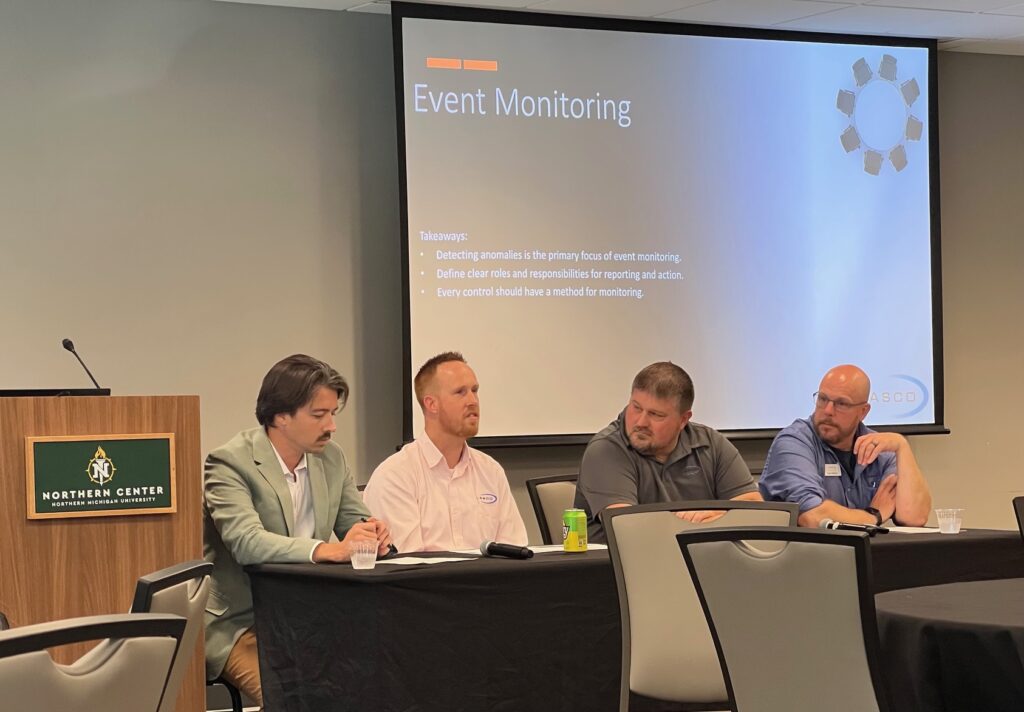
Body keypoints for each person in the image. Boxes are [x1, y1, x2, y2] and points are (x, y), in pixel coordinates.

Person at [203, 354, 392, 708]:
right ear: (280, 416)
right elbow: (246, 542)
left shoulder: (331, 458)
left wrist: (371, 533)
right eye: (319, 415)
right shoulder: (229, 462)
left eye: (333, 414)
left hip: (309, 618)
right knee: (299, 700)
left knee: (376, 679)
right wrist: (326, 550)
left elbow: (354, 520)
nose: (331, 426)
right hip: (242, 623)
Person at [575, 362, 761, 543]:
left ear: (683, 419)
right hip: (624, 569)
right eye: (636, 407)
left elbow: (756, 510)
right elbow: (626, 526)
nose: (640, 422)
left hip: (701, 565)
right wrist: (716, 523)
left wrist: (718, 515)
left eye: (656, 415)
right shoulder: (606, 449)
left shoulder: (711, 443)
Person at [363, 352, 527, 552]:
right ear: (431, 404)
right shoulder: (395, 476)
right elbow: (405, 567)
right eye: (460, 392)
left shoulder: (491, 471)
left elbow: (513, 552)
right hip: (426, 583)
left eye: (475, 390)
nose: (473, 401)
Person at [758, 364, 932, 528]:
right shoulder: (793, 443)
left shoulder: (879, 449)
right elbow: (813, 517)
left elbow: (913, 517)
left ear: (863, 411)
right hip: (805, 557)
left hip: (863, 556)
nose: (828, 411)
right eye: (823, 399)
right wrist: (873, 516)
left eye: (841, 404)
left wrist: (902, 446)